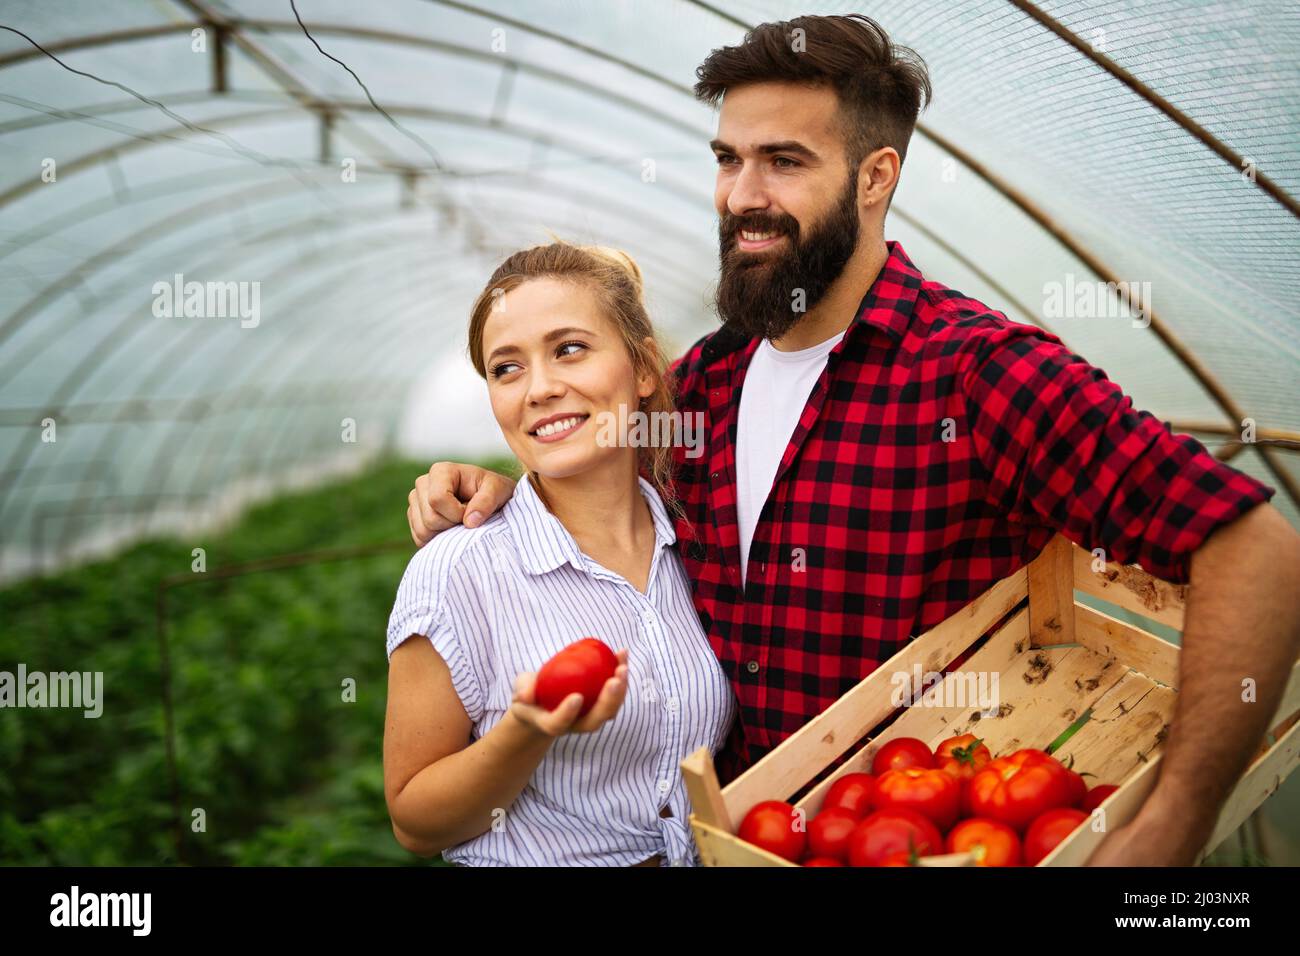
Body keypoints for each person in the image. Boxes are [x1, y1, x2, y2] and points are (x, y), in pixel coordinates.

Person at [404, 14, 1300, 866]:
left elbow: (1257, 551)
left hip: (924, 833)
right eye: (728, 159)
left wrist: (1176, 821)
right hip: (750, 841)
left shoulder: (978, 373)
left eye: (784, 161)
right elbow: (580, 464)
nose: (743, 197)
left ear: (876, 177)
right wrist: (475, 486)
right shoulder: (706, 385)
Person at [384, 242, 736, 866]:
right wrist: (529, 730)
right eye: (506, 368)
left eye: (569, 348)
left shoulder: (700, 541)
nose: (540, 389)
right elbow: (415, 821)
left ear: (644, 367)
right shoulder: (457, 570)